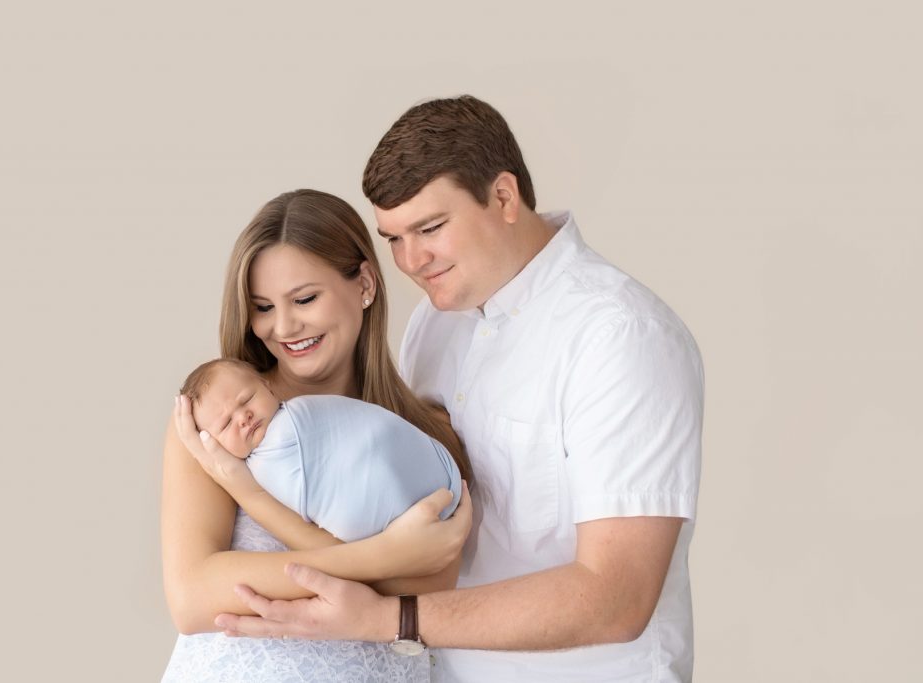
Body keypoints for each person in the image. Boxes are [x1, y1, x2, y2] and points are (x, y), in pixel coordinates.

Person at [214, 96, 704, 682]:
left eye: (430, 228)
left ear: (503, 197)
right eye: (393, 238)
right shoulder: (435, 322)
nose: (412, 261)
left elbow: (616, 597)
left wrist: (387, 618)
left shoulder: (620, 336)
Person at [160, 189, 474, 682]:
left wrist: (388, 566)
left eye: (304, 299)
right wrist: (383, 556)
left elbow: (430, 585)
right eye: (262, 307)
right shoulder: (217, 425)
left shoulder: (422, 435)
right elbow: (194, 598)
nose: (282, 326)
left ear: (365, 283)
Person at [178, 357, 462, 542]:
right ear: (209, 441)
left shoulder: (295, 420)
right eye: (226, 424)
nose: (243, 418)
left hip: (424, 489)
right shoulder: (218, 463)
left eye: (247, 399)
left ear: (268, 388)